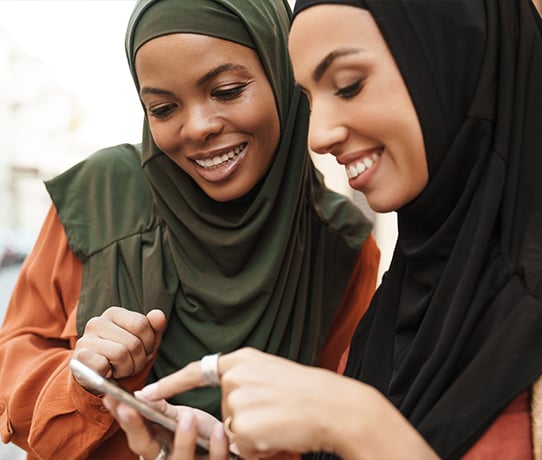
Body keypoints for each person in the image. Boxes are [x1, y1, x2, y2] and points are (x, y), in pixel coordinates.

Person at [105, 0, 542, 459]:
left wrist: (360, 425)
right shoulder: (405, 299)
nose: (318, 134)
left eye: (349, 85)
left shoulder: (345, 248)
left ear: (459, 60)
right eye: (309, 99)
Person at [0, 0, 381, 458]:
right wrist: (82, 376)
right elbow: (12, 368)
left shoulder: (340, 243)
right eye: (163, 108)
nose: (197, 128)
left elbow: (337, 424)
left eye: (226, 90)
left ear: (284, 76)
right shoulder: (101, 198)